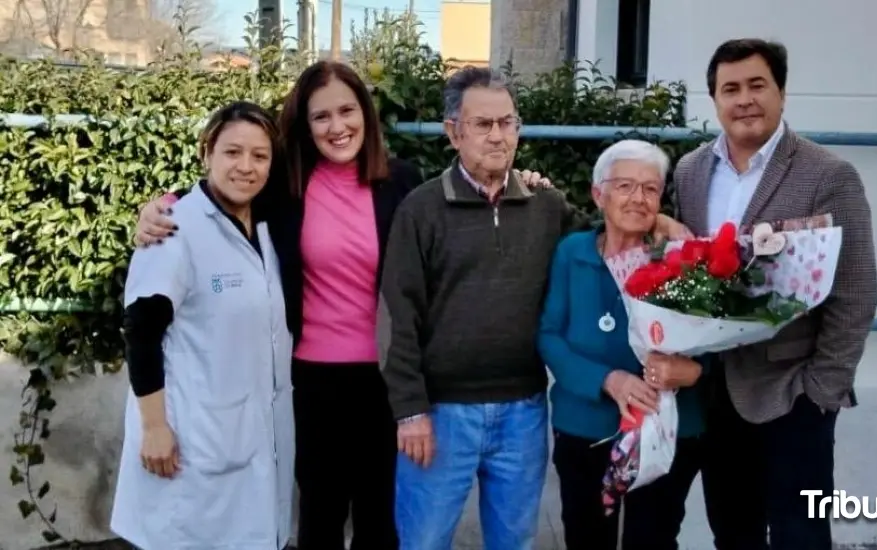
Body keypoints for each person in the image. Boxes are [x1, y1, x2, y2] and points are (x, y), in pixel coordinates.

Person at [131, 61, 555, 549]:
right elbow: (220, 194)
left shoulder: (400, 182)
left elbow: (466, 212)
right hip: (313, 380)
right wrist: (160, 205)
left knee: (381, 520)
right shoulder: (286, 186)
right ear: (305, 126)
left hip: (387, 378)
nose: (337, 127)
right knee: (320, 517)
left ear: (366, 114)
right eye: (321, 117)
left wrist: (527, 182)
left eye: (347, 111)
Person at [376, 67, 692, 550]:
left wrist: (660, 217)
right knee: (423, 541)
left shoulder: (546, 205)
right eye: (483, 124)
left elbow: (606, 230)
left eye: (508, 122)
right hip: (441, 414)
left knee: (514, 542)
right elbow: (399, 315)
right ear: (452, 132)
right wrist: (410, 411)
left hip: (521, 412)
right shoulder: (421, 210)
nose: (498, 136)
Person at [672, 39, 877, 549]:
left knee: (800, 536)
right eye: (730, 89)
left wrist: (821, 391)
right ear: (715, 100)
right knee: (733, 533)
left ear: (781, 93)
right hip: (717, 392)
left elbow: (856, 292)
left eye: (757, 85)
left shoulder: (829, 175)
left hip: (793, 393)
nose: (744, 99)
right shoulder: (690, 171)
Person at [110, 101, 294, 550]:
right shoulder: (174, 228)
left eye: (260, 156)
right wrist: (154, 427)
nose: (246, 167)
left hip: (253, 436)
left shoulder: (271, 223)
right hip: (190, 439)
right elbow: (142, 331)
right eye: (232, 152)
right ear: (207, 152)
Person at [537, 139, 711, 550]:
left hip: (667, 430)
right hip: (585, 427)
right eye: (625, 186)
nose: (638, 198)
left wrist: (695, 370)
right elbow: (548, 335)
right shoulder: (571, 253)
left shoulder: (682, 256)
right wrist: (607, 380)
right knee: (586, 538)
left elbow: (722, 340)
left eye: (650, 189)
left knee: (652, 540)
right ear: (599, 194)